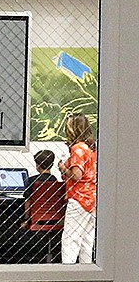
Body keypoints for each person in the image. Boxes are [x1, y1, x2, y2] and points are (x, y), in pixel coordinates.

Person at [58, 113, 97, 264]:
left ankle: (68, 271)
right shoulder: (91, 148)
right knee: (87, 239)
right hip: (92, 197)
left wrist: (62, 168)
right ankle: (86, 269)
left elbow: (76, 175)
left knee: (70, 238)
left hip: (79, 197)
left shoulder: (77, 148)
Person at [22, 149, 58, 226]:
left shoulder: (32, 180)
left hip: (35, 220)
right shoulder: (55, 180)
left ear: (38, 165)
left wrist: (26, 219)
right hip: (53, 219)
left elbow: (27, 201)